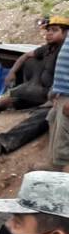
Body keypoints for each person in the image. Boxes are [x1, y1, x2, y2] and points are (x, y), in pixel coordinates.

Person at [0, 16, 67, 115]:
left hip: (50, 95)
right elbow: (26, 55)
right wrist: (12, 72)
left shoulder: (64, 52)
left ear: (66, 33)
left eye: (54, 30)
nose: (49, 33)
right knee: (4, 102)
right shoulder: (47, 49)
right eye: (48, 30)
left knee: (10, 98)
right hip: (36, 90)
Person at [51, 31, 69, 173]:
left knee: (65, 151)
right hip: (63, 94)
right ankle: (57, 167)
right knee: (52, 119)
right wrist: (58, 89)